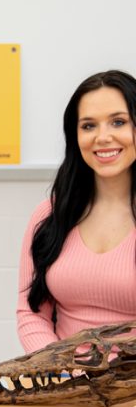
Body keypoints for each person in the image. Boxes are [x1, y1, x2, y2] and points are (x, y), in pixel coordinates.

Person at [17, 70, 136, 353]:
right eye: (88, 126)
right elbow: (31, 313)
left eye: (118, 122)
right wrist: (63, 371)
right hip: (66, 385)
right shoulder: (49, 215)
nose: (102, 137)